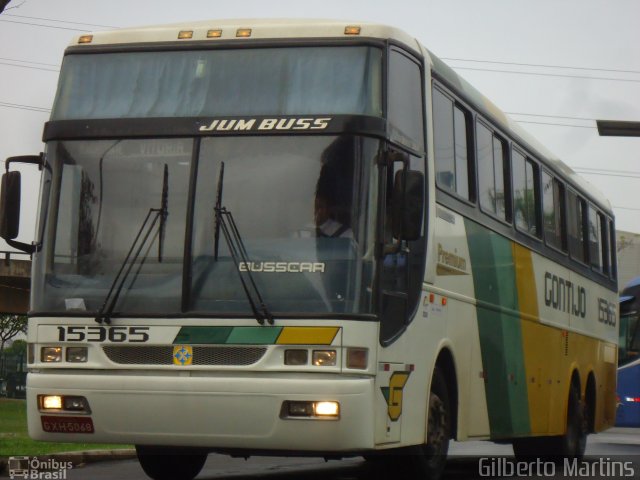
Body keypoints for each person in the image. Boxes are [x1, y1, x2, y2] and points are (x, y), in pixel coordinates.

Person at [314, 136, 354, 239]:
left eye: (320, 207)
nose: (316, 213)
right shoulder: (305, 234)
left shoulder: (347, 238)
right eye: (317, 206)